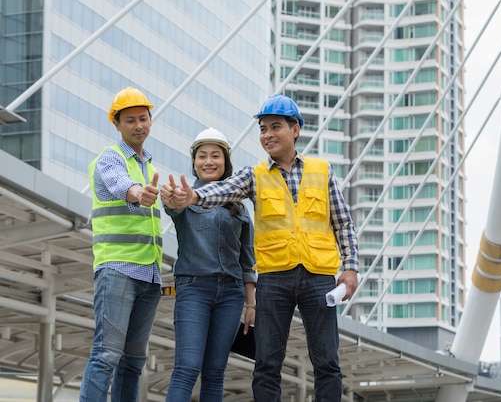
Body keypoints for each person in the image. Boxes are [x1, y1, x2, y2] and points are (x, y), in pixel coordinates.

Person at [163, 94, 359, 401]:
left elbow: (343, 223)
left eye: (275, 127)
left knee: (327, 363)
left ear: (295, 129)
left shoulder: (322, 171)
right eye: (263, 128)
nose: (267, 134)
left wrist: (350, 268)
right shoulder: (254, 175)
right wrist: (194, 198)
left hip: (318, 276)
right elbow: (224, 189)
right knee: (266, 365)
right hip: (274, 279)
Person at [80, 87, 163, 402]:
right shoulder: (110, 157)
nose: (138, 125)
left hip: (149, 274)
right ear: (117, 124)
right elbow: (120, 185)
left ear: (150, 120)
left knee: (134, 361)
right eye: (130, 120)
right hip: (117, 269)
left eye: (143, 118)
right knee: (107, 354)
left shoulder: (151, 168)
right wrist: (138, 193)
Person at [162, 128, 257, 401]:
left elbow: (247, 260)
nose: (208, 161)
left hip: (231, 294)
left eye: (216, 155)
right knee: (187, 368)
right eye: (202, 156)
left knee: (215, 372)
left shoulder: (239, 206)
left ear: (226, 162)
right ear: (194, 162)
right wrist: (170, 198)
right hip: (194, 290)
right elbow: (172, 206)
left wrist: (251, 304)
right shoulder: (185, 196)